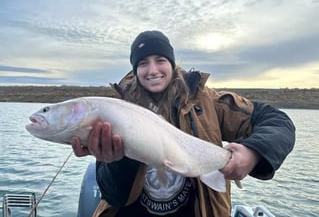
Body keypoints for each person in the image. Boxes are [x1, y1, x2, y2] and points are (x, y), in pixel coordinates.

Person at [72, 30, 295, 217]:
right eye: (143, 63)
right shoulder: (115, 112)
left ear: (171, 63)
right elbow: (113, 194)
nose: (152, 70)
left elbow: (278, 122)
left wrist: (253, 152)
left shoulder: (211, 103)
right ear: (135, 69)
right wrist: (115, 161)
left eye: (160, 60)